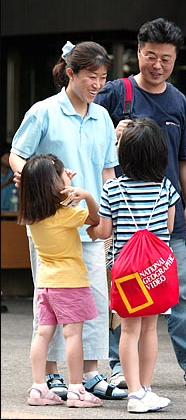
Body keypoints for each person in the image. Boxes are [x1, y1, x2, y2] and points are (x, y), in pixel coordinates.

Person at [94, 17, 186, 390]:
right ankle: (118, 371)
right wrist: (112, 132)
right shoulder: (115, 93)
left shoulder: (178, 102)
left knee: (179, 295)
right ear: (138, 52)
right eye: (151, 56)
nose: (158, 65)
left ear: (175, 60)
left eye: (167, 59)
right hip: (123, 217)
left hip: (165, 217)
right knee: (121, 299)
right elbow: (87, 131)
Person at [9, 40, 127, 400]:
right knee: (51, 299)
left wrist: (111, 212)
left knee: (91, 297)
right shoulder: (43, 112)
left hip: (89, 222)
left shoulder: (103, 116)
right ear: (71, 72)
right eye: (91, 76)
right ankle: (51, 375)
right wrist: (32, 178)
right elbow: (17, 156)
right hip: (49, 225)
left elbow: (108, 171)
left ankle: (89, 373)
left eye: (103, 78)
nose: (97, 84)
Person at [88, 117, 180, 412]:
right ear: (159, 154)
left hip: (126, 272)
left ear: (123, 154)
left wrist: (90, 229)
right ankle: (147, 389)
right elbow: (167, 228)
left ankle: (135, 394)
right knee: (151, 330)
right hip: (156, 272)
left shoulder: (112, 189)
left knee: (128, 332)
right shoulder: (165, 187)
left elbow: (104, 232)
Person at [19, 154, 103, 407]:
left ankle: (38, 388)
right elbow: (95, 219)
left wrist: (64, 181)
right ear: (53, 182)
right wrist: (86, 195)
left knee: (42, 334)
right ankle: (77, 389)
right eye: (61, 174)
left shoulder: (34, 216)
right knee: (73, 334)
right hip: (70, 281)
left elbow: (56, 200)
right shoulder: (66, 215)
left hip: (46, 282)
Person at [1, 142, 16, 211]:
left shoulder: (14, 173)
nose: (9, 158)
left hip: (11, 210)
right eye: (7, 155)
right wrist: (8, 182)